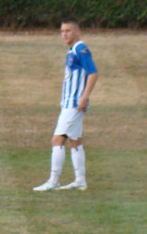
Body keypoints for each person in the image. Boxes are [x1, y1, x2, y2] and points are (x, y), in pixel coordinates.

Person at [33, 20, 99, 192]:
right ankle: (80, 180)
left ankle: (53, 181)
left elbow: (93, 73)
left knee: (57, 139)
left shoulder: (80, 49)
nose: (64, 34)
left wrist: (84, 97)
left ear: (77, 32)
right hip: (69, 102)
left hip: (74, 104)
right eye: (62, 31)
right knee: (74, 140)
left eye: (68, 31)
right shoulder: (72, 50)